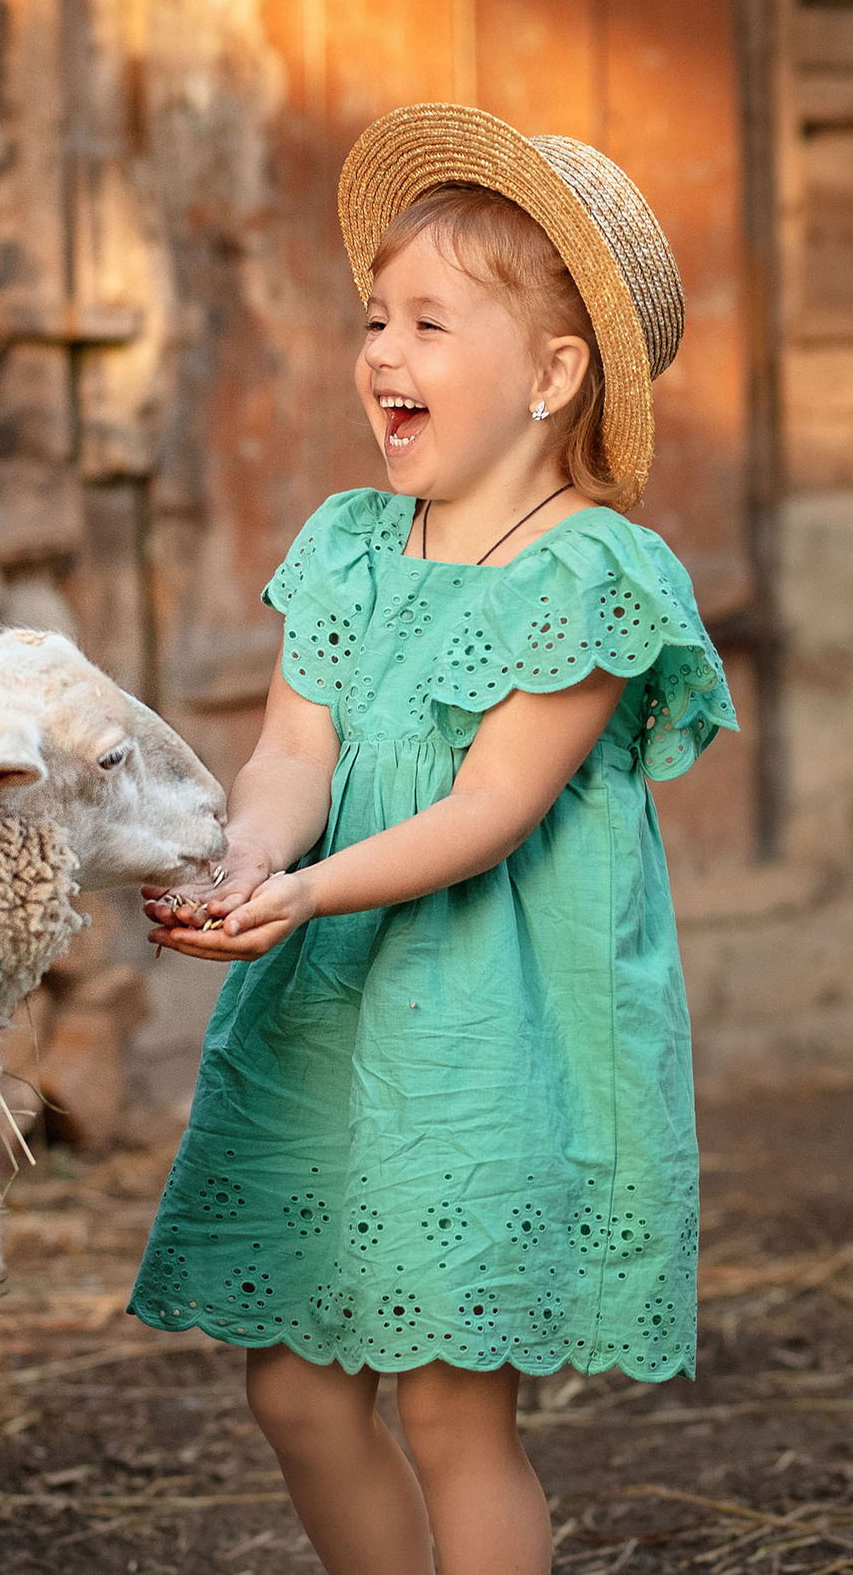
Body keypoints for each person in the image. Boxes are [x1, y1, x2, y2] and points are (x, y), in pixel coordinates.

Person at [128, 104, 737, 1575]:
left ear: (550, 372)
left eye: (429, 324)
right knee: (294, 1384)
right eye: (374, 320)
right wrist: (246, 860)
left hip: (489, 1041)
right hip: (336, 1020)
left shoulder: (593, 574)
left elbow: (489, 810)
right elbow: (293, 747)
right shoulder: (350, 543)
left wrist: (314, 884)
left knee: (456, 1411)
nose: (381, 355)